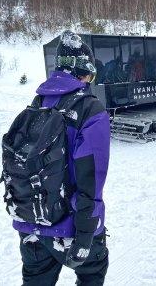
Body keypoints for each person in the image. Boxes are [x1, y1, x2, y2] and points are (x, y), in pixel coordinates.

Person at [13, 30, 110, 285]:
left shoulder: (37, 103)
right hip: (73, 227)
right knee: (92, 273)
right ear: (85, 71)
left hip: (32, 222)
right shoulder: (91, 110)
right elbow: (92, 179)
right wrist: (87, 233)